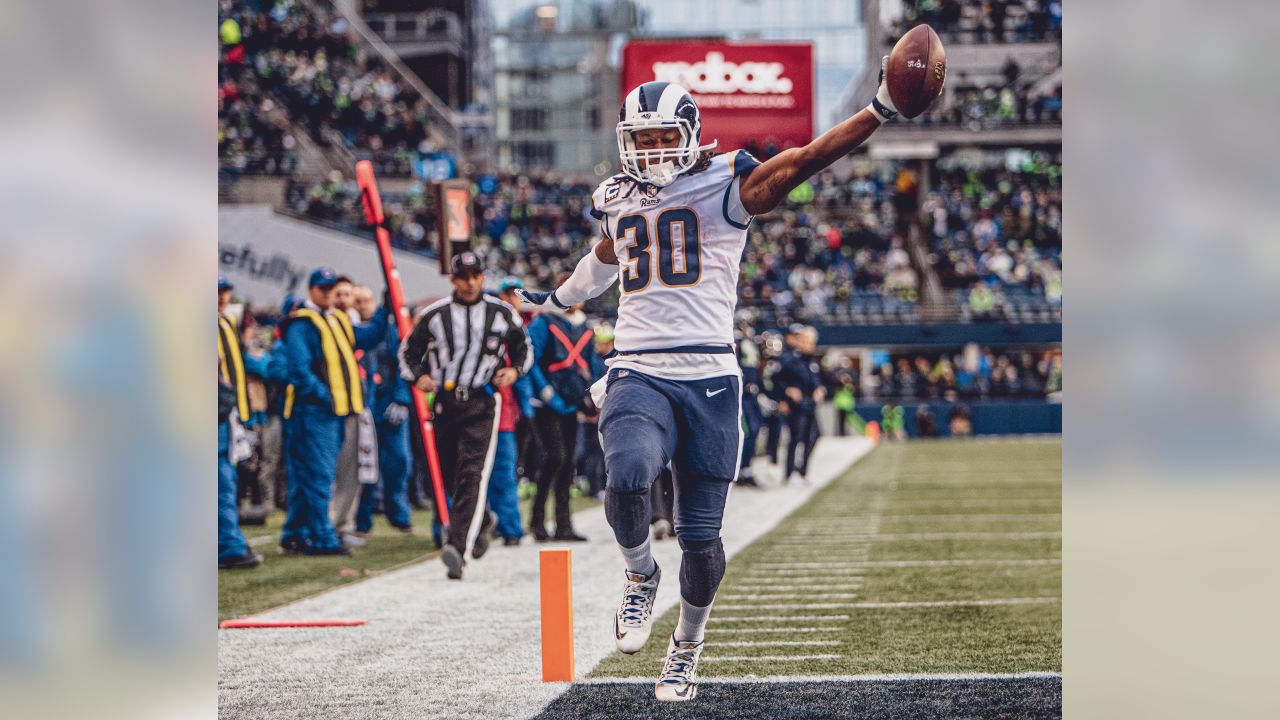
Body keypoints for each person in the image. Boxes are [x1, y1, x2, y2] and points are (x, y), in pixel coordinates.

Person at [518, 74, 899, 700]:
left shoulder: (729, 182)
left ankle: (687, 645)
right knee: (628, 473)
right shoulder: (617, 193)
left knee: (701, 536)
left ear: (692, 134)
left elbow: (808, 158)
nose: (652, 150)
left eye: (665, 136)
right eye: (641, 139)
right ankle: (640, 574)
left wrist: (877, 110)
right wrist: (559, 299)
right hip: (637, 366)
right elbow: (607, 254)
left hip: (710, 377)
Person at [399, 251, 532, 579]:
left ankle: (457, 547)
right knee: (447, 474)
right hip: (445, 401)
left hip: (482, 402)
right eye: (464, 276)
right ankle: (483, 518)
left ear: (482, 277)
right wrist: (420, 377)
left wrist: (513, 371)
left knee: (472, 473)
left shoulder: (502, 313)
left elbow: (523, 350)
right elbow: (407, 353)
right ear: (453, 279)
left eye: (476, 275)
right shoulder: (434, 315)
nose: (470, 282)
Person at [279, 267, 388, 556]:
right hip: (314, 412)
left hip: (333, 410)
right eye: (323, 288)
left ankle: (295, 533)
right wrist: (325, 397)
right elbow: (299, 371)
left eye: (331, 287)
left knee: (309, 477)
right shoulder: (302, 324)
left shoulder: (336, 320)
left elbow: (369, 337)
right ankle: (321, 537)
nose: (328, 293)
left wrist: (385, 306)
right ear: (312, 290)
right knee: (319, 475)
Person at [523, 280, 597, 543]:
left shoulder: (584, 327)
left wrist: (591, 394)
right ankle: (537, 520)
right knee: (554, 457)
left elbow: (592, 364)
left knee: (568, 463)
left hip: (572, 401)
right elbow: (529, 359)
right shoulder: (543, 323)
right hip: (546, 403)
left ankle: (564, 524)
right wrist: (544, 391)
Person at [354, 285, 415, 536]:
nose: (362, 305)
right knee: (364, 466)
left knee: (399, 462)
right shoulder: (352, 333)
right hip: (362, 409)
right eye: (358, 301)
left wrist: (402, 399)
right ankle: (361, 521)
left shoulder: (389, 332)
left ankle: (399, 515)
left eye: (366, 301)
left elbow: (404, 364)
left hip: (388, 406)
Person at [217, 274, 262, 569]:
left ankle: (228, 540)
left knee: (227, 477)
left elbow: (239, 365)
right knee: (220, 480)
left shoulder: (224, 322)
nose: (222, 298)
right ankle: (228, 544)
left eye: (225, 292)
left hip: (226, 411)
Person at [328, 275, 368, 547]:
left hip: (355, 406)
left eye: (347, 294)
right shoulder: (321, 324)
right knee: (328, 472)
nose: (343, 299)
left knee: (353, 471)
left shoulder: (348, 323)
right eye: (338, 293)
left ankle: (343, 525)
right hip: (330, 409)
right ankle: (327, 528)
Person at [773, 325, 824, 483]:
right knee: (796, 437)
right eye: (808, 341)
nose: (811, 345)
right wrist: (787, 391)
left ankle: (802, 470)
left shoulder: (812, 360)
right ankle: (789, 473)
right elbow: (776, 378)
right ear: (801, 341)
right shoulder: (789, 358)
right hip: (796, 405)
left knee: (814, 436)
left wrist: (819, 389)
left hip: (810, 404)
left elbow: (816, 379)